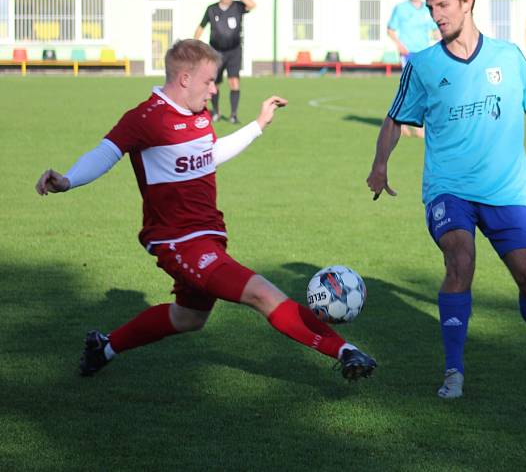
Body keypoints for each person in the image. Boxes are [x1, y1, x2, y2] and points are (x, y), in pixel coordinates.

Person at [36, 39, 377, 381]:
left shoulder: (199, 117)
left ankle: (104, 347)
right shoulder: (145, 118)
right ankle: (344, 351)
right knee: (261, 293)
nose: (214, 89)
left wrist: (257, 125)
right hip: (178, 241)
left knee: (189, 318)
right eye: (209, 81)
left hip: (209, 236)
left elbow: (208, 156)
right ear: (184, 78)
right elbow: (106, 152)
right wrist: (68, 180)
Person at [367, 0, 526, 399]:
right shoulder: (423, 64)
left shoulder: (509, 58)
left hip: (505, 190)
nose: (436, 15)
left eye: (443, 5)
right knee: (460, 259)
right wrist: (380, 164)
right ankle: (454, 371)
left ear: (468, 2)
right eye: (431, 7)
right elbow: (394, 119)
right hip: (448, 189)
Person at [194, 0, 256, 124]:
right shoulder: (211, 9)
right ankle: (216, 112)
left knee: (234, 81)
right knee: (215, 83)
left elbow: (252, 5)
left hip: (234, 50)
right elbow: (201, 27)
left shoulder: (238, 7)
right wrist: (194, 46)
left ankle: (233, 115)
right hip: (216, 51)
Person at [387, 0, 440, 138]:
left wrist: (443, 38)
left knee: (424, 89)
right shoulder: (401, 8)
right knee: (409, 88)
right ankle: (401, 122)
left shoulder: (427, 9)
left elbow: (434, 29)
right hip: (408, 54)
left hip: (424, 54)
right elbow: (390, 29)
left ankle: (418, 125)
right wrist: (399, 45)